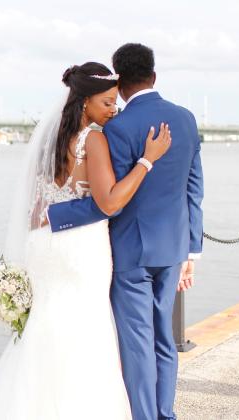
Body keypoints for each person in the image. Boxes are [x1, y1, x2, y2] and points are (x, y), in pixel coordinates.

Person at [0, 61, 171, 420]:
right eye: (106, 102)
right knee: (86, 330)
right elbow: (110, 201)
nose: (113, 109)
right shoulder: (94, 139)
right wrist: (147, 162)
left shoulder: (51, 140)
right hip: (81, 248)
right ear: (85, 102)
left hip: (43, 245)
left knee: (46, 325)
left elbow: (36, 207)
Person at [48, 43, 204, 420]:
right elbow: (194, 186)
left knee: (137, 345)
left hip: (130, 251)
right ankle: (165, 414)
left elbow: (106, 201)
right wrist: (192, 252)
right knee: (163, 338)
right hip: (173, 249)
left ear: (119, 81)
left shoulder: (115, 128)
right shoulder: (185, 119)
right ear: (154, 76)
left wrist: (54, 217)